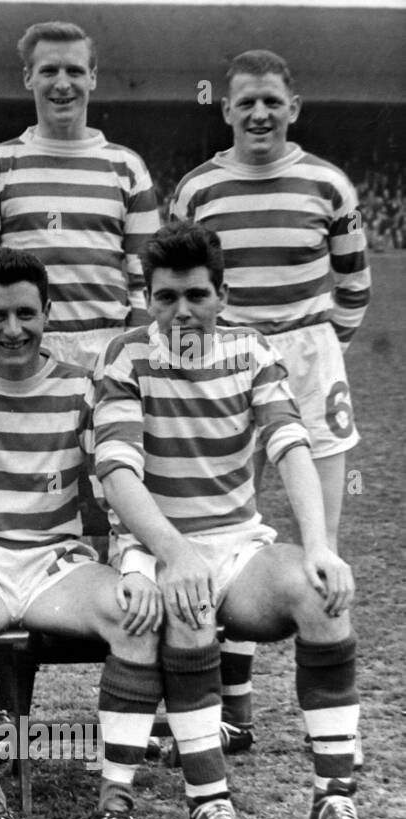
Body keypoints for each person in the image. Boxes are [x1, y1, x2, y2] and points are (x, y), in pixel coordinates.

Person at [94, 221, 371, 819]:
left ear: (222, 293)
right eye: (166, 298)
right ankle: (210, 804)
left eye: (196, 295)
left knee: (322, 593)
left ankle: (334, 793)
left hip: (237, 543)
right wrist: (174, 553)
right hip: (153, 543)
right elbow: (118, 473)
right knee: (188, 607)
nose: (182, 312)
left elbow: (290, 445)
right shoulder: (127, 354)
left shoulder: (253, 350)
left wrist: (320, 545)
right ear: (148, 299)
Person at [0, 247, 162, 819]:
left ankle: (113, 803)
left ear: (49, 312)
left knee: (137, 614)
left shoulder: (83, 388)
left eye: (26, 313)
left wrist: (136, 567)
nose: (12, 330)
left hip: (56, 563)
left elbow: (120, 486)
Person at [170, 50, 372, 756]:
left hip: (310, 356)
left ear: (294, 106)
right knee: (228, 528)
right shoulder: (198, 188)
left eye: (272, 102)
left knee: (320, 543)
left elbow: (354, 287)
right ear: (225, 108)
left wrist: (312, 344)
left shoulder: (327, 182)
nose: (259, 114)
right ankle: (235, 708)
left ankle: (330, 720)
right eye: (246, 102)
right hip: (225, 357)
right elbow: (183, 277)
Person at [0, 21, 159, 374]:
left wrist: (133, 360)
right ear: (28, 77)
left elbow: (146, 282)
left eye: (75, 71)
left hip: (107, 354)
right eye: (49, 70)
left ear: (92, 77)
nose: (62, 83)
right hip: (21, 351)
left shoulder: (128, 168)